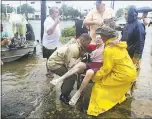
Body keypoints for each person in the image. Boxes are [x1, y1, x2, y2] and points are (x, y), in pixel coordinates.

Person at [87, 26, 136, 116]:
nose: (101, 37)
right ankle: (118, 99)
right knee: (116, 86)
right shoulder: (119, 44)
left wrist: (95, 77)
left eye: (102, 35)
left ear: (107, 37)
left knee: (99, 85)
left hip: (123, 75)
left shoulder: (108, 49)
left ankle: (96, 109)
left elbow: (106, 69)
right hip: (131, 72)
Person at [50, 34, 104, 105]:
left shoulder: (77, 43)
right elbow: (70, 66)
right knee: (72, 76)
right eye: (88, 43)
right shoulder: (75, 49)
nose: (88, 45)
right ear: (83, 41)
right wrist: (81, 61)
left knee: (76, 70)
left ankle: (64, 87)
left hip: (57, 61)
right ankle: (64, 95)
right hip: (55, 64)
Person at [121, 6, 145, 72]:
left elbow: (141, 40)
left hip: (134, 52)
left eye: (126, 14)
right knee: (127, 69)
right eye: (125, 14)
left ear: (131, 14)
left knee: (134, 69)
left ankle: (134, 81)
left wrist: (138, 54)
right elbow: (123, 38)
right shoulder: (127, 24)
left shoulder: (138, 24)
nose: (125, 15)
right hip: (126, 51)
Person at [42, 7, 61, 78]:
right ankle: (48, 73)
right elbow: (49, 32)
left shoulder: (55, 20)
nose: (57, 13)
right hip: (48, 44)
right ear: (51, 13)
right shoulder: (48, 20)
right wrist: (56, 23)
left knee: (52, 58)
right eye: (56, 12)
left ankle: (50, 71)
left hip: (54, 44)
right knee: (49, 59)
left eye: (58, 12)